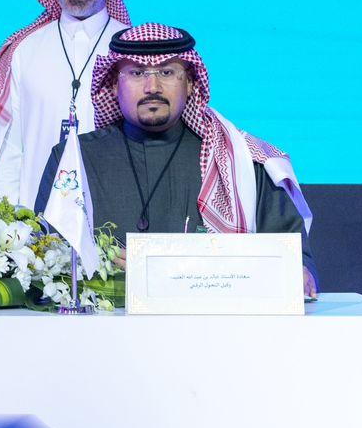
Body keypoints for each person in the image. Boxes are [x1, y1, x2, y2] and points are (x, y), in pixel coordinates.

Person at [35, 24, 317, 296]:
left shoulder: (241, 161)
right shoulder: (73, 159)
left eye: (167, 72)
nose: (152, 87)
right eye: (136, 73)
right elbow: (48, 261)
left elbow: (291, 258)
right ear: (113, 85)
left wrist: (160, 271)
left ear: (191, 83)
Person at [0, 0, 131, 209]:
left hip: (112, 216)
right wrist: (1, 224)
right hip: (34, 221)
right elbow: (7, 151)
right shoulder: (24, 49)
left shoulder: (131, 51)